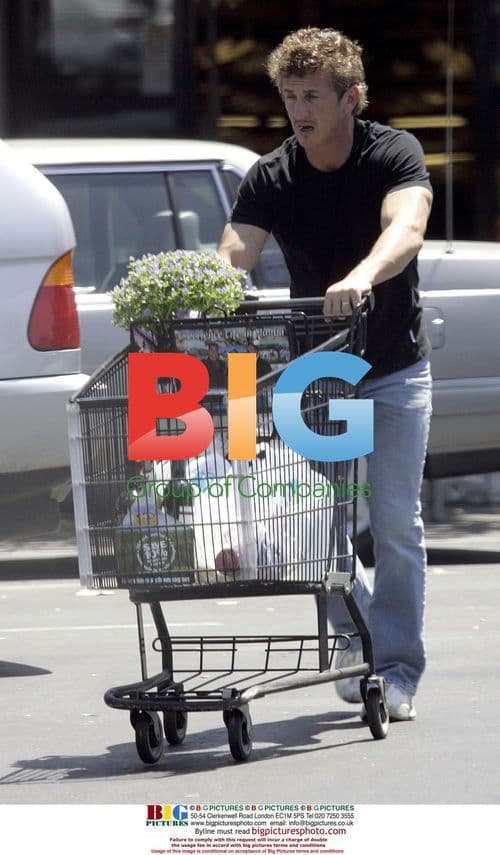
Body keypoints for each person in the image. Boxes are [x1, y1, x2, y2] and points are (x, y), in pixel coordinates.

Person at [217, 27, 433, 722]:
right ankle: (356, 635)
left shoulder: (392, 151)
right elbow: (235, 249)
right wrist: (214, 285)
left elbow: (407, 227)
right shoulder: (272, 174)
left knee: (394, 525)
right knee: (314, 525)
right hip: (318, 375)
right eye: (290, 96)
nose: (299, 110)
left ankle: (395, 668)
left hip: (394, 366)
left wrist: (363, 275)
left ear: (351, 99)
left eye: (313, 96)